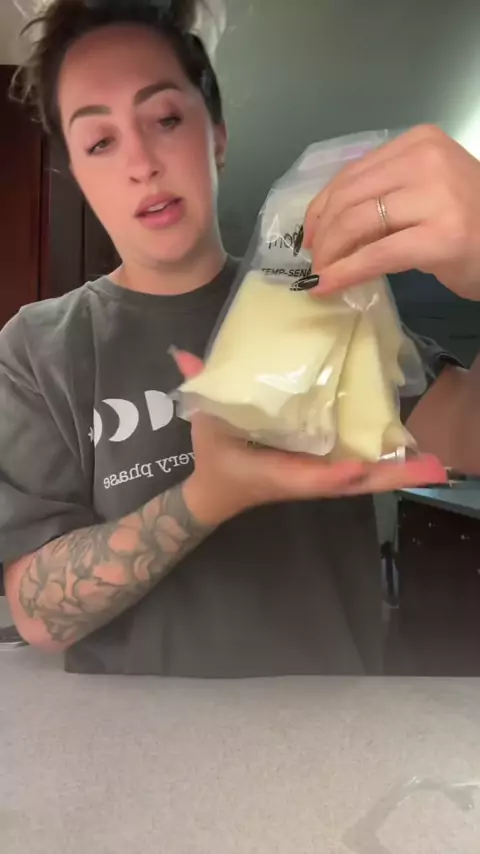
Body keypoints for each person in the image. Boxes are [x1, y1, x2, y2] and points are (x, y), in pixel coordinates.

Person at [1, 0, 479, 677]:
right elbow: (36, 612)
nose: (141, 162)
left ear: (217, 136)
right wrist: (209, 495)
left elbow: (469, 435)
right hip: (126, 740)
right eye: (100, 141)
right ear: (76, 173)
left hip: (334, 728)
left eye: (165, 118)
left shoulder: (321, 290)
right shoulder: (38, 347)